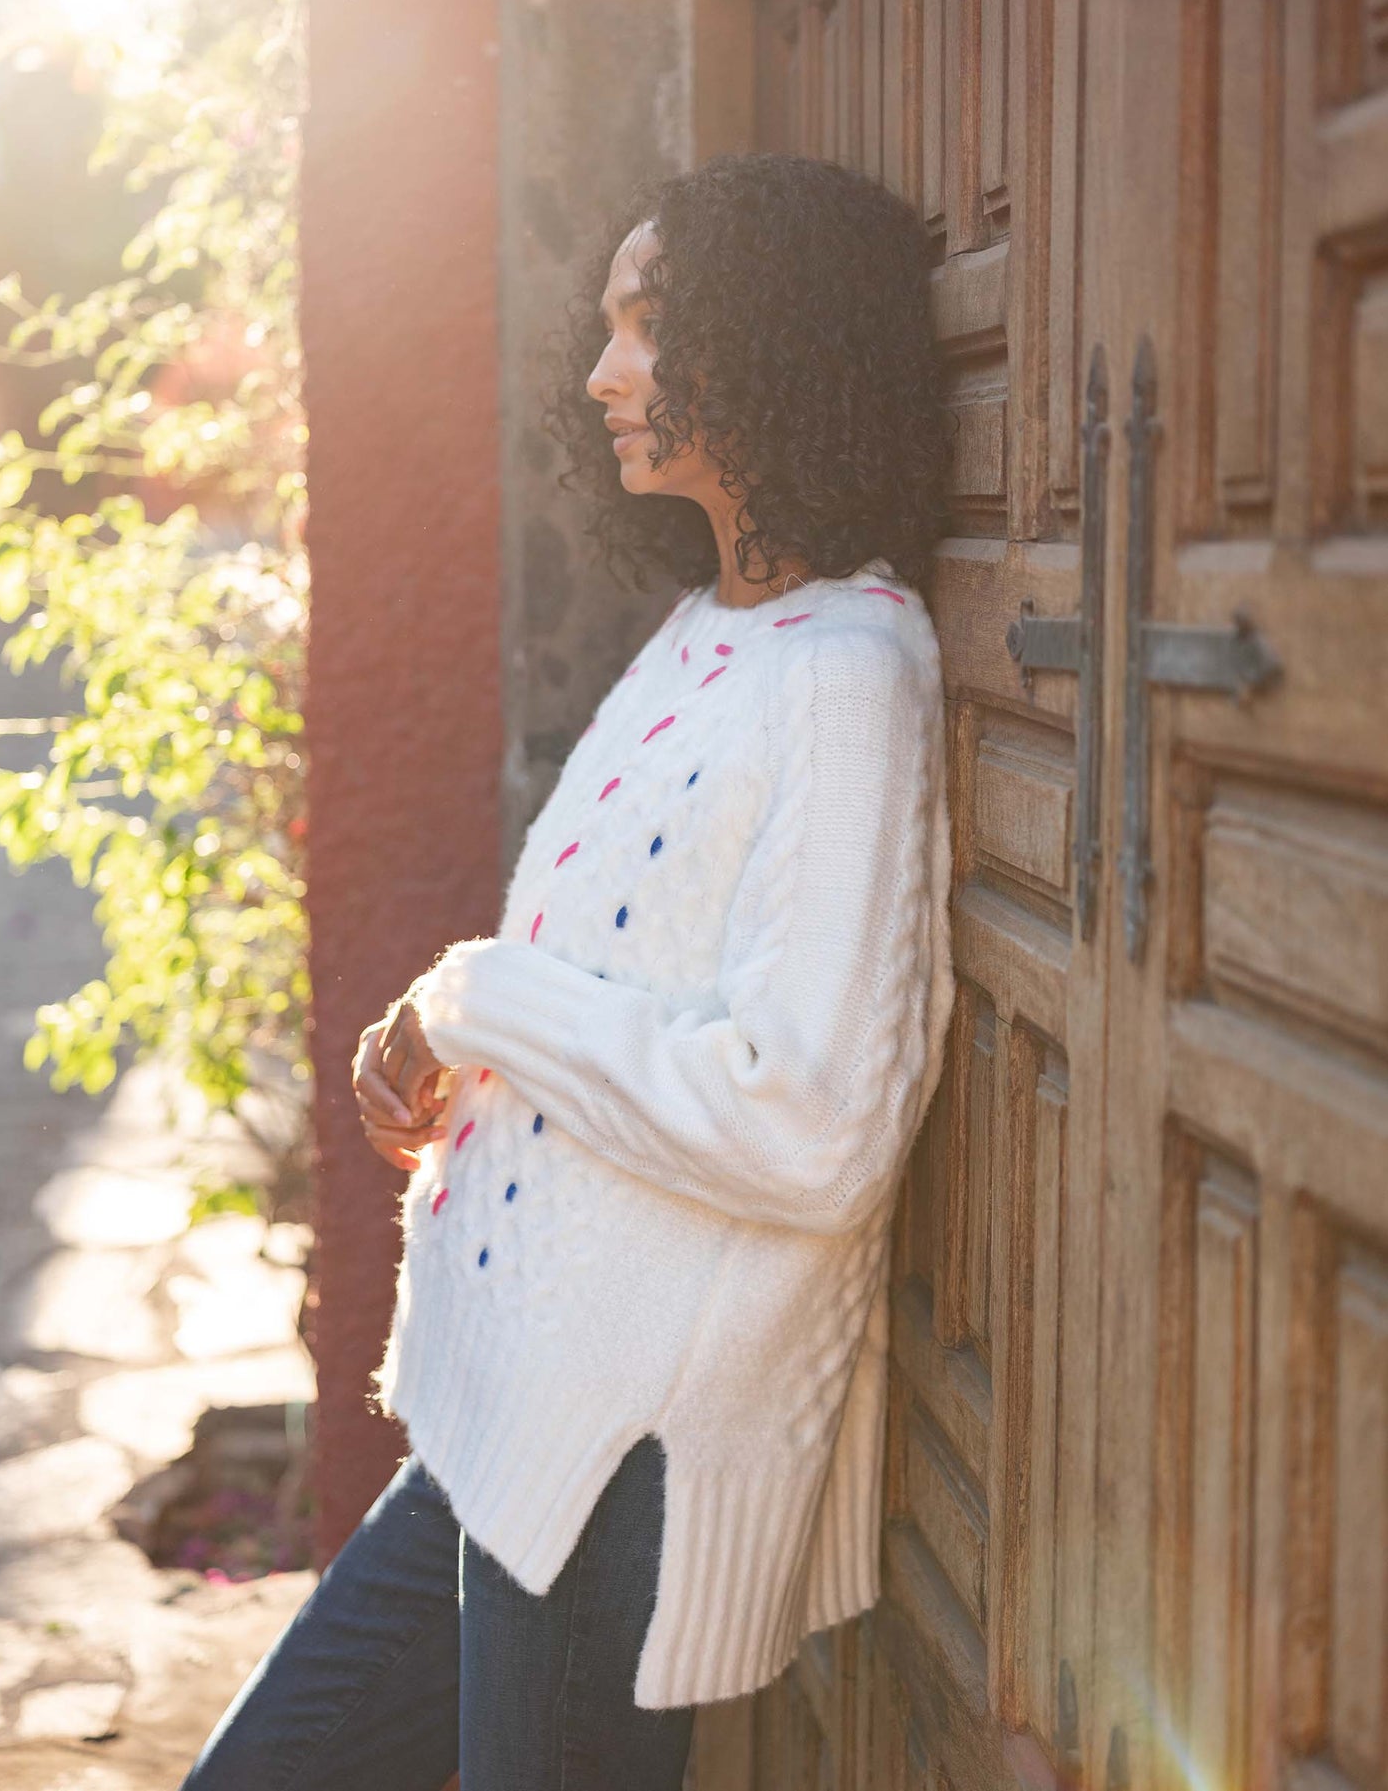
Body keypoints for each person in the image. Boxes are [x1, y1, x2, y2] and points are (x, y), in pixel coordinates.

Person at [180, 150, 955, 1791]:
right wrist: (459, 1048)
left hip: (618, 1454)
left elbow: (807, 1115)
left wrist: (481, 1001)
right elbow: (611, 985)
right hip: (499, 1415)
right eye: (606, 324)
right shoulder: (705, 632)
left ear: (774, 339)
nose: (603, 369)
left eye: (649, 323)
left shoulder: (847, 672)